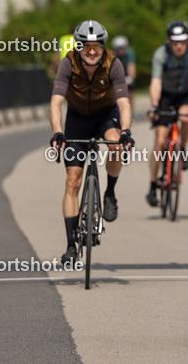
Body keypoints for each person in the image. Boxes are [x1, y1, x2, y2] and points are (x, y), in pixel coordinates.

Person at [49, 20, 133, 265]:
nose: (93, 51)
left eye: (96, 46)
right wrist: (57, 132)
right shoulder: (68, 63)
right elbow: (56, 101)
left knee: (117, 144)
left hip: (106, 115)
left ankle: (109, 193)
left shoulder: (113, 63)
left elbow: (124, 102)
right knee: (73, 182)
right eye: (87, 47)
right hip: (77, 118)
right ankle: (70, 246)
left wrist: (126, 131)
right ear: (79, 47)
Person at [146, 20, 188, 207]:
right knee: (159, 139)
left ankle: (182, 149)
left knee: (185, 117)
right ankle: (152, 183)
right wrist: (154, 105)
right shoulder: (161, 53)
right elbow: (155, 82)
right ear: (169, 41)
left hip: (185, 95)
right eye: (175, 42)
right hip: (165, 96)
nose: (179, 45)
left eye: (183, 41)